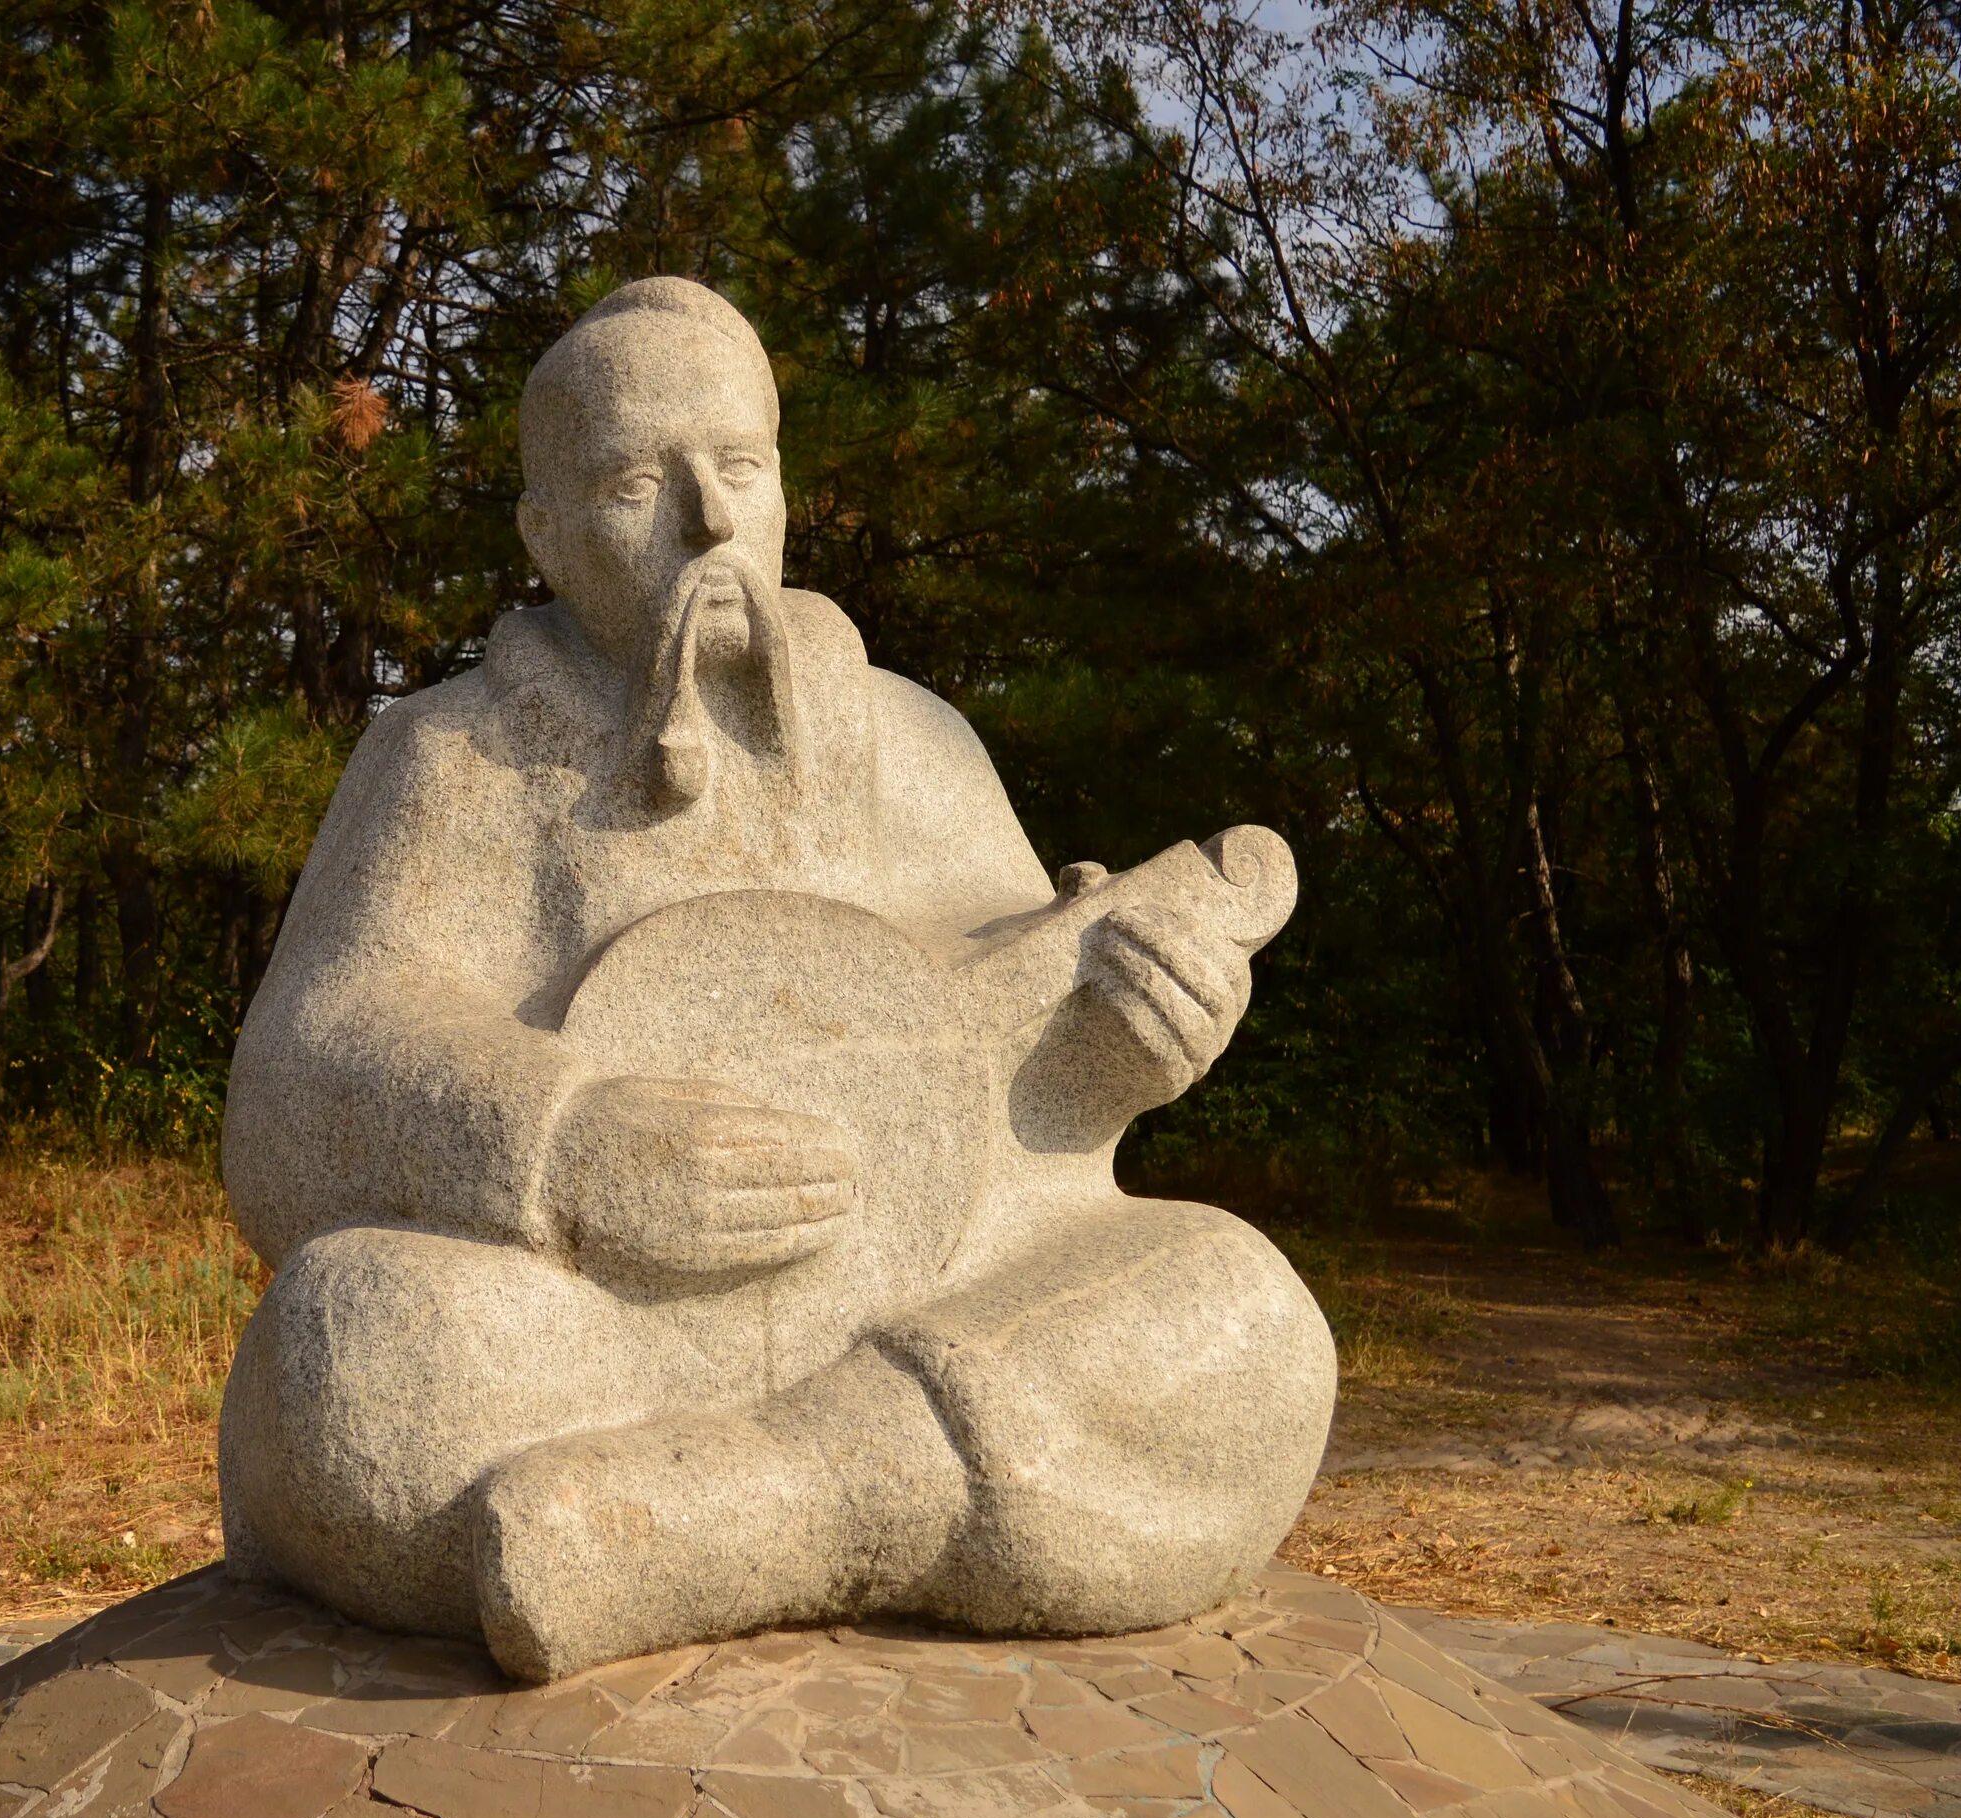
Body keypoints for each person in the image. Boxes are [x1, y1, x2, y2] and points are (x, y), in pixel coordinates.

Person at [218, 277, 1333, 1681]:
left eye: (741, 467)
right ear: (546, 538)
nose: (711, 522)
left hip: (923, 1315)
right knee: (352, 1349)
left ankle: (751, 1517)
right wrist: (565, 1142)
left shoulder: (916, 745)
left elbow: (1008, 1111)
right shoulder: (453, 761)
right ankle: (822, 1500)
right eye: (637, 482)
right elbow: (297, 1082)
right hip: (604, 1347)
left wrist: (1127, 1039)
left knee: (1240, 1315)